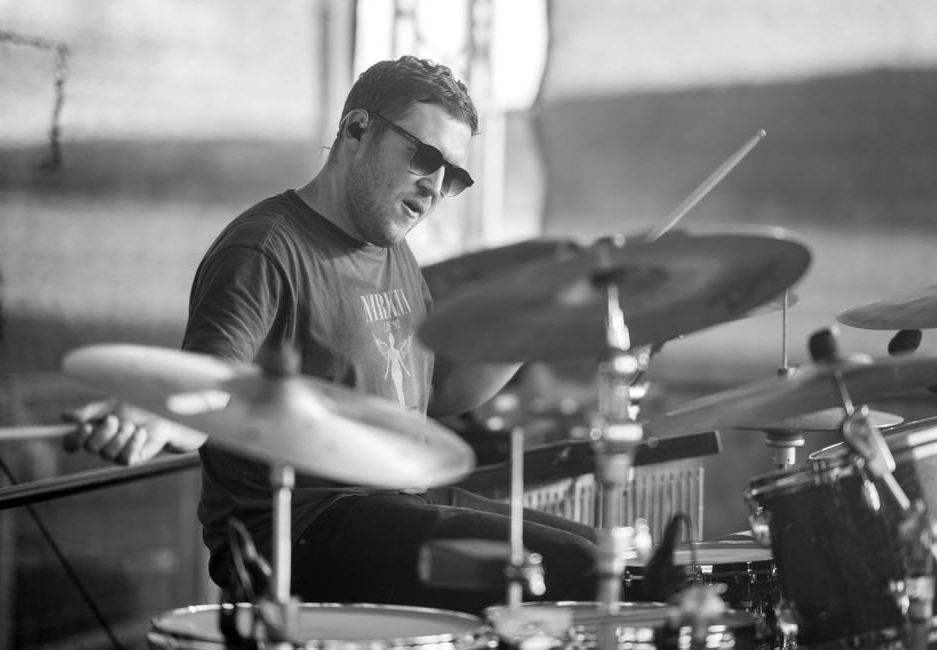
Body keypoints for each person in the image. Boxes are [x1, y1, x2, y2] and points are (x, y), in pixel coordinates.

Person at [63, 56, 599, 616]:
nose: (437, 188)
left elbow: (439, 392)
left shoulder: (390, 247)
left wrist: (547, 323)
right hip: (301, 529)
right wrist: (155, 412)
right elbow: (210, 384)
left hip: (399, 501)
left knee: (603, 553)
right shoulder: (264, 251)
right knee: (571, 567)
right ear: (357, 130)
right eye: (425, 158)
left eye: (454, 176)